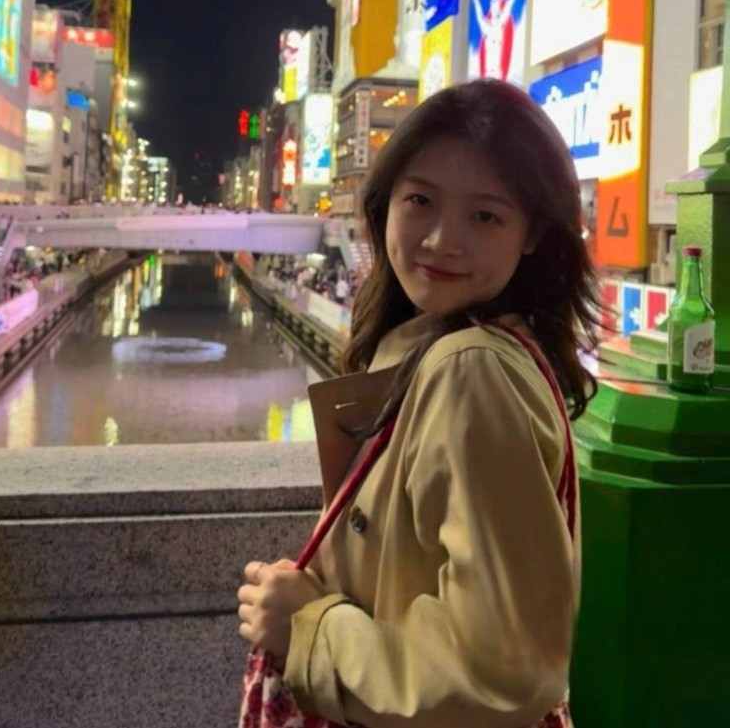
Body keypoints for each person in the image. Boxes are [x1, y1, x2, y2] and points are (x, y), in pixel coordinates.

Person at [237, 79, 601, 727]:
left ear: (532, 233)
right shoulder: (466, 351)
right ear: (386, 205)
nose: (441, 239)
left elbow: (501, 668)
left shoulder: (470, 369)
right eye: (421, 201)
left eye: (485, 216)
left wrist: (309, 628)